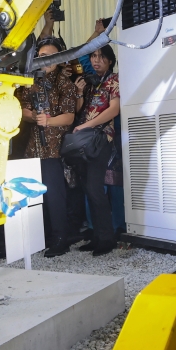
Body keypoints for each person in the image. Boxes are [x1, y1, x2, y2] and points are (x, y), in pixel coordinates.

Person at [20, 39, 78, 257]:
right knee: (34, 196)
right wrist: (33, 116)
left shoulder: (65, 83)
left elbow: (70, 116)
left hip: (54, 149)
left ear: (59, 59)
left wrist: (48, 121)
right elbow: (22, 109)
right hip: (32, 149)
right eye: (42, 56)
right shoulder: (31, 82)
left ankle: (60, 239)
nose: (46, 60)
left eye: (51, 56)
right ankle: (39, 238)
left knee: (55, 196)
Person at [72, 43, 120, 256]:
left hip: (100, 139)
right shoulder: (89, 82)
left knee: (95, 189)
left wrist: (86, 126)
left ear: (110, 61)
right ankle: (96, 235)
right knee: (88, 189)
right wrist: (80, 93)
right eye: (93, 56)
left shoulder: (114, 80)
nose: (96, 60)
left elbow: (114, 110)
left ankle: (107, 238)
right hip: (83, 141)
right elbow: (78, 111)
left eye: (101, 56)